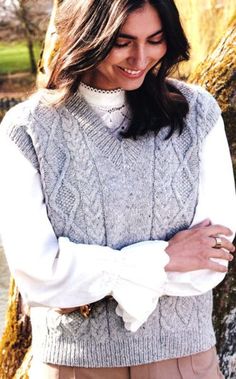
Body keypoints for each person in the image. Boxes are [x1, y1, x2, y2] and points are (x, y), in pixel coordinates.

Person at [0, 0, 235, 378]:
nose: (140, 57)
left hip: (183, 362)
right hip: (73, 365)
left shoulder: (197, 113)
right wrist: (163, 258)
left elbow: (210, 260)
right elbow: (37, 274)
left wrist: (87, 276)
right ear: (88, 36)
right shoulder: (27, 127)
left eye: (155, 40)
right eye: (122, 42)